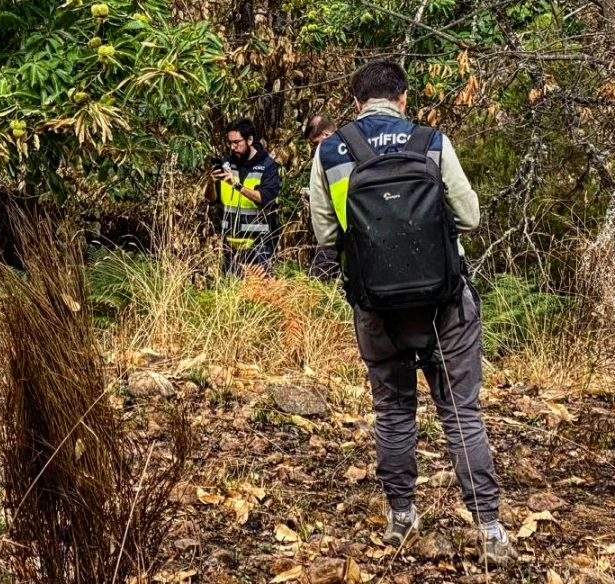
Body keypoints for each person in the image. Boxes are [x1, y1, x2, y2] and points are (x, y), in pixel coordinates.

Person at [309, 61, 516, 565]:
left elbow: (327, 237)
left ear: (356, 102)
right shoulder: (432, 142)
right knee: (461, 412)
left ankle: (401, 516)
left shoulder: (332, 152)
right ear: (403, 98)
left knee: (394, 411)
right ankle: (490, 530)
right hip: (444, 304)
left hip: (376, 307)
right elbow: (469, 217)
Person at [205, 118, 281, 274]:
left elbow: (266, 198)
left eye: (237, 142)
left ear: (250, 140)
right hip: (229, 247)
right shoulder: (226, 164)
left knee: (259, 288)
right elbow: (211, 199)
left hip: (259, 246)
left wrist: (237, 185)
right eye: (230, 143)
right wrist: (211, 182)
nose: (232, 147)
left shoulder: (267, 166)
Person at [302, 115, 340, 281]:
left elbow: (320, 202)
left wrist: (326, 243)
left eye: (316, 142)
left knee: (318, 287)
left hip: (332, 240)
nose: (316, 148)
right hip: (359, 233)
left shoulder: (325, 150)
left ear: (325, 134)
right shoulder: (355, 144)